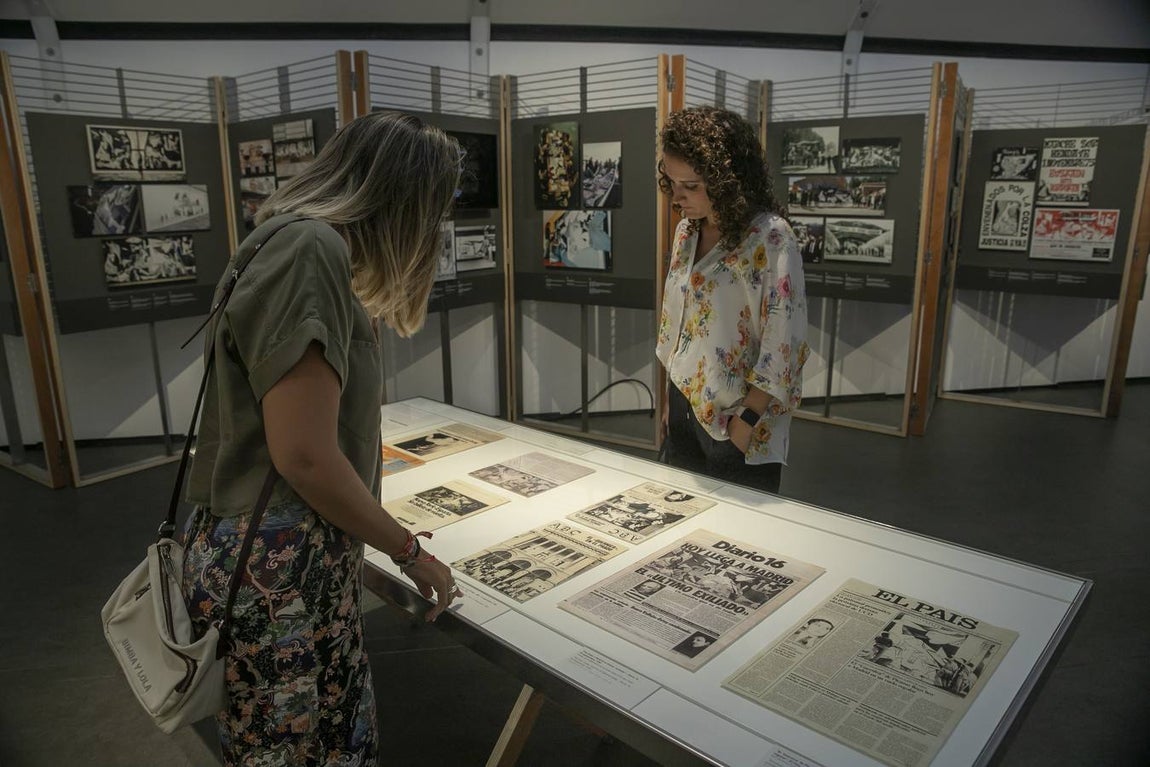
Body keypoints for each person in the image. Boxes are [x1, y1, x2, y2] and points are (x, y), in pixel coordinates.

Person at [179, 111, 464, 766]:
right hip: (279, 579)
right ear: (396, 201)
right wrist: (407, 549)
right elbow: (302, 452)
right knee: (304, 750)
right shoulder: (310, 251)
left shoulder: (285, 245)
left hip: (280, 566)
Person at [656, 107, 809, 494]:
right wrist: (670, 399)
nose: (677, 197)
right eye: (672, 182)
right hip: (684, 402)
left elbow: (784, 340)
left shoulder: (771, 238)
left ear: (727, 180)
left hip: (739, 415)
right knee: (677, 521)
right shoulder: (686, 233)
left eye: (690, 185)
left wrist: (748, 419)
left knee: (737, 534)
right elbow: (677, 322)